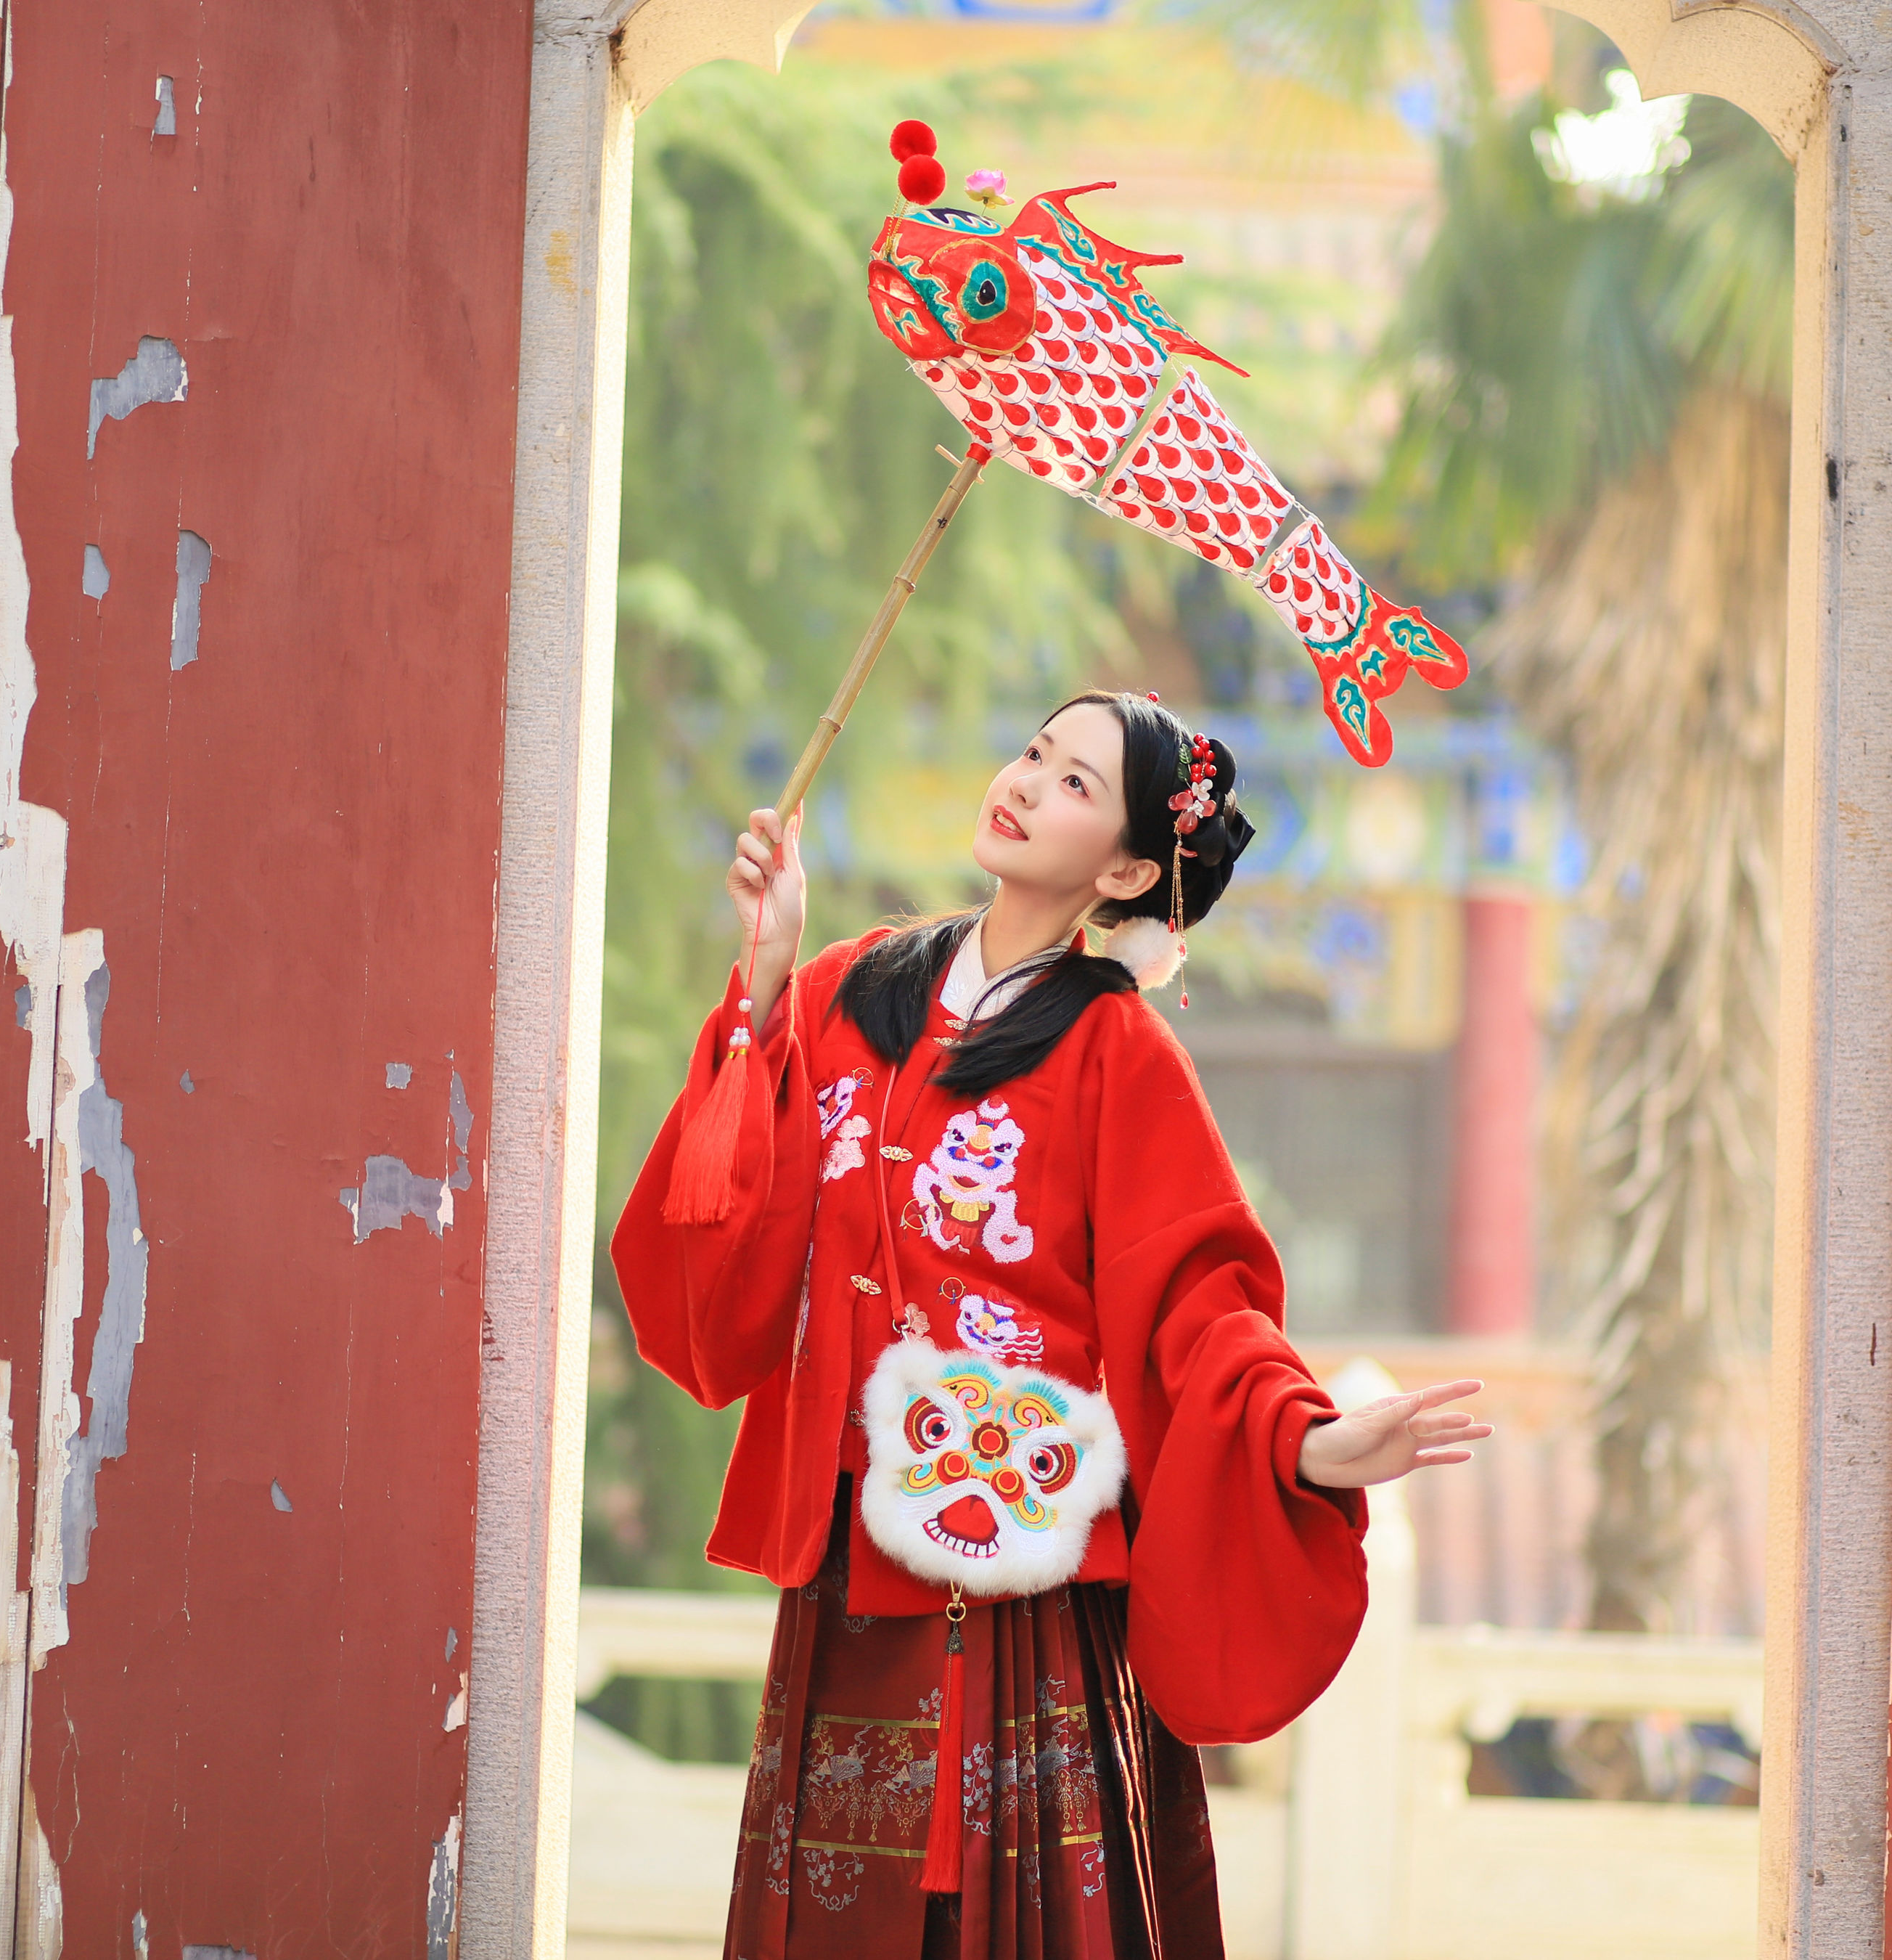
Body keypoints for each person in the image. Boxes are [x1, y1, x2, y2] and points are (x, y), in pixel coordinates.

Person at [613, 690, 1490, 1960]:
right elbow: (724, 1234)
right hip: (854, 1561)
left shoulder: (1115, 1051)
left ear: (1129, 869)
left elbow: (1196, 1289)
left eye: (1074, 784)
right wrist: (761, 981)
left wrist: (1296, 1438)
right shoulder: (851, 987)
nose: (1023, 783)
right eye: (1031, 752)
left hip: (1019, 1561)